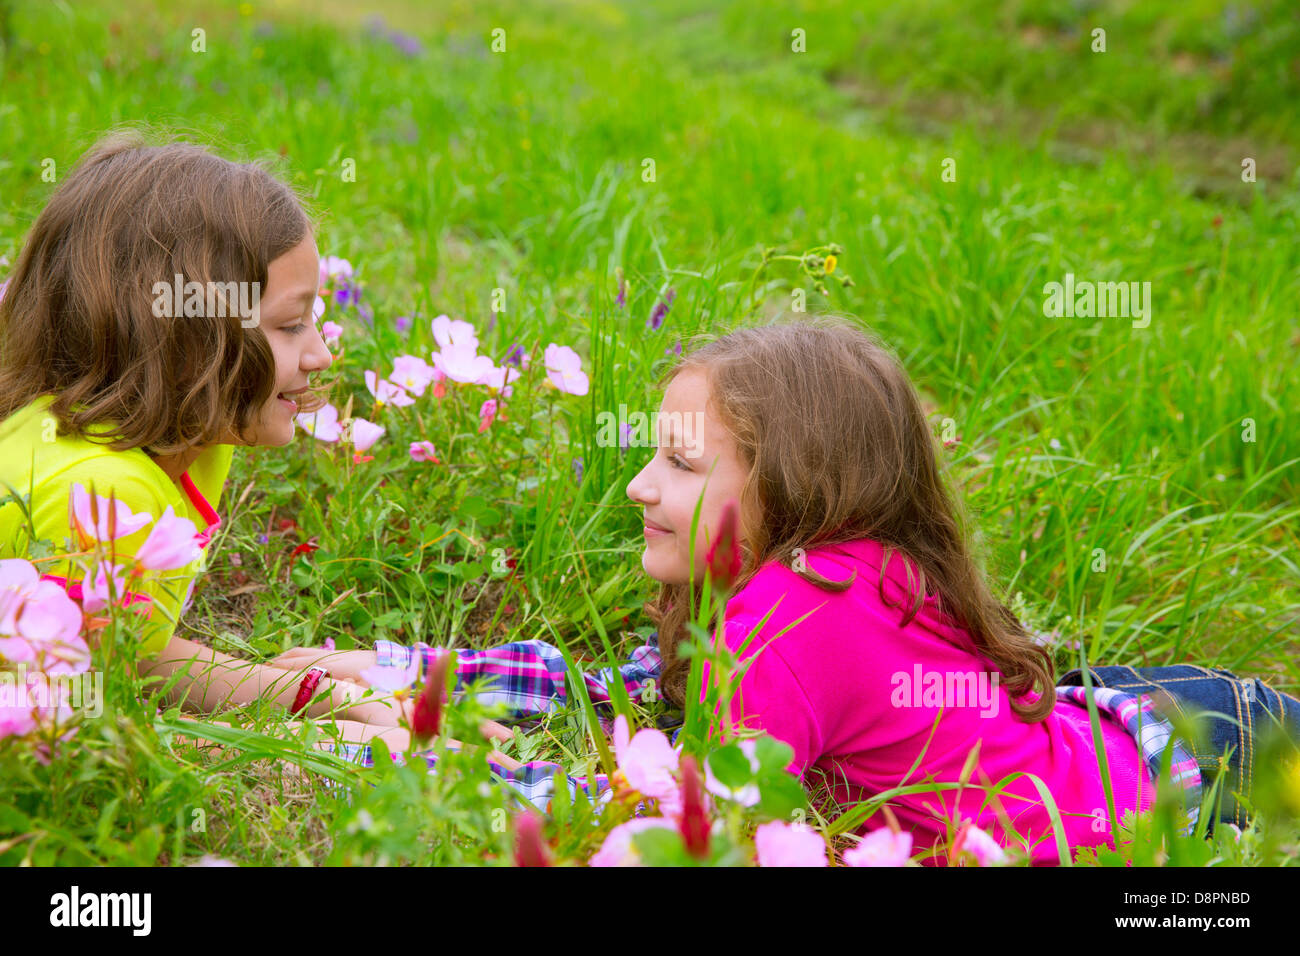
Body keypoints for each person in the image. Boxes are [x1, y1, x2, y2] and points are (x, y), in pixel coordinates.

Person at [274, 318, 1300, 863]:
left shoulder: (799, 610)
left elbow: (679, 826)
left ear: (793, 486)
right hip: (1139, 718)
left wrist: (406, 732)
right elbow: (628, 692)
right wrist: (411, 668)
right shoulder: (814, 579)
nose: (639, 485)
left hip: (1197, 777)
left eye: (681, 463)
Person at [0, 129, 509, 754]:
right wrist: (330, 721)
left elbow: (144, 651)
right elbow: (109, 696)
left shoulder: (181, 441)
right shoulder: (103, 494)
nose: (321, 354)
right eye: (291, 325)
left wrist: (312, 688)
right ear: (182, 339)